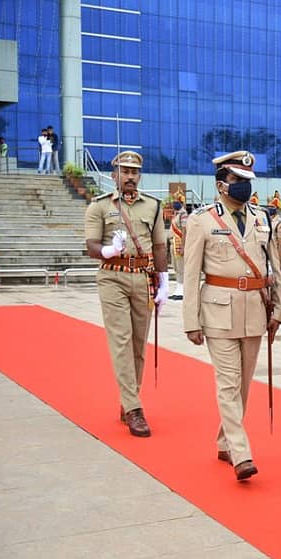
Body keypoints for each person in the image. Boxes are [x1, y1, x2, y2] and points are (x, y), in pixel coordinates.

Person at [183, 150, 281, 481]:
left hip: (255, 308)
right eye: (237, 181)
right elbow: (190, 274)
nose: (244, 187)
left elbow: (275, 268)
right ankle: (242, 455)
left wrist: (279, 308)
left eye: (248, 182)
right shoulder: (201, 220)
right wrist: (191, 321)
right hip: (218, 311)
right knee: (228, 384)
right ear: (221, 185)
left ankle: (226, 441)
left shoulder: (262, 218)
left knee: (243, 386)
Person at [84, 151, 169, 437]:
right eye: (124, 171)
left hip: (142, 278)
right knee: (120, 340)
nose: (130, 176)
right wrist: (107, 250)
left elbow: (159, 246)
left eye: (134, 172)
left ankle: (128, 398)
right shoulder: (99, 207)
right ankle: (134, 408)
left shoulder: (154, 206)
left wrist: (164, 278)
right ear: (114, 175)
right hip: (112, 277)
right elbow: (91, 245)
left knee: (137, 345)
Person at [168, 189, 188, 300]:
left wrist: (184, 246)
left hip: (179, 243)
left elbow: (184, 230)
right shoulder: (176, 214)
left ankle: (182, 290)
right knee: (176, 267)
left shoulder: (183, 214)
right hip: (173, 242)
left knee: (181, 267)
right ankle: (178, 289)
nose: (174, 203)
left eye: (177, 201)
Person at [267, 191, 281, 278]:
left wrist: (280, 260)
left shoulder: (280, 223)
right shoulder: (265, 220)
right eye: (268, 206)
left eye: (272, 207)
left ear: (277, 208)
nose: (269, 208)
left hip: (274, 253)